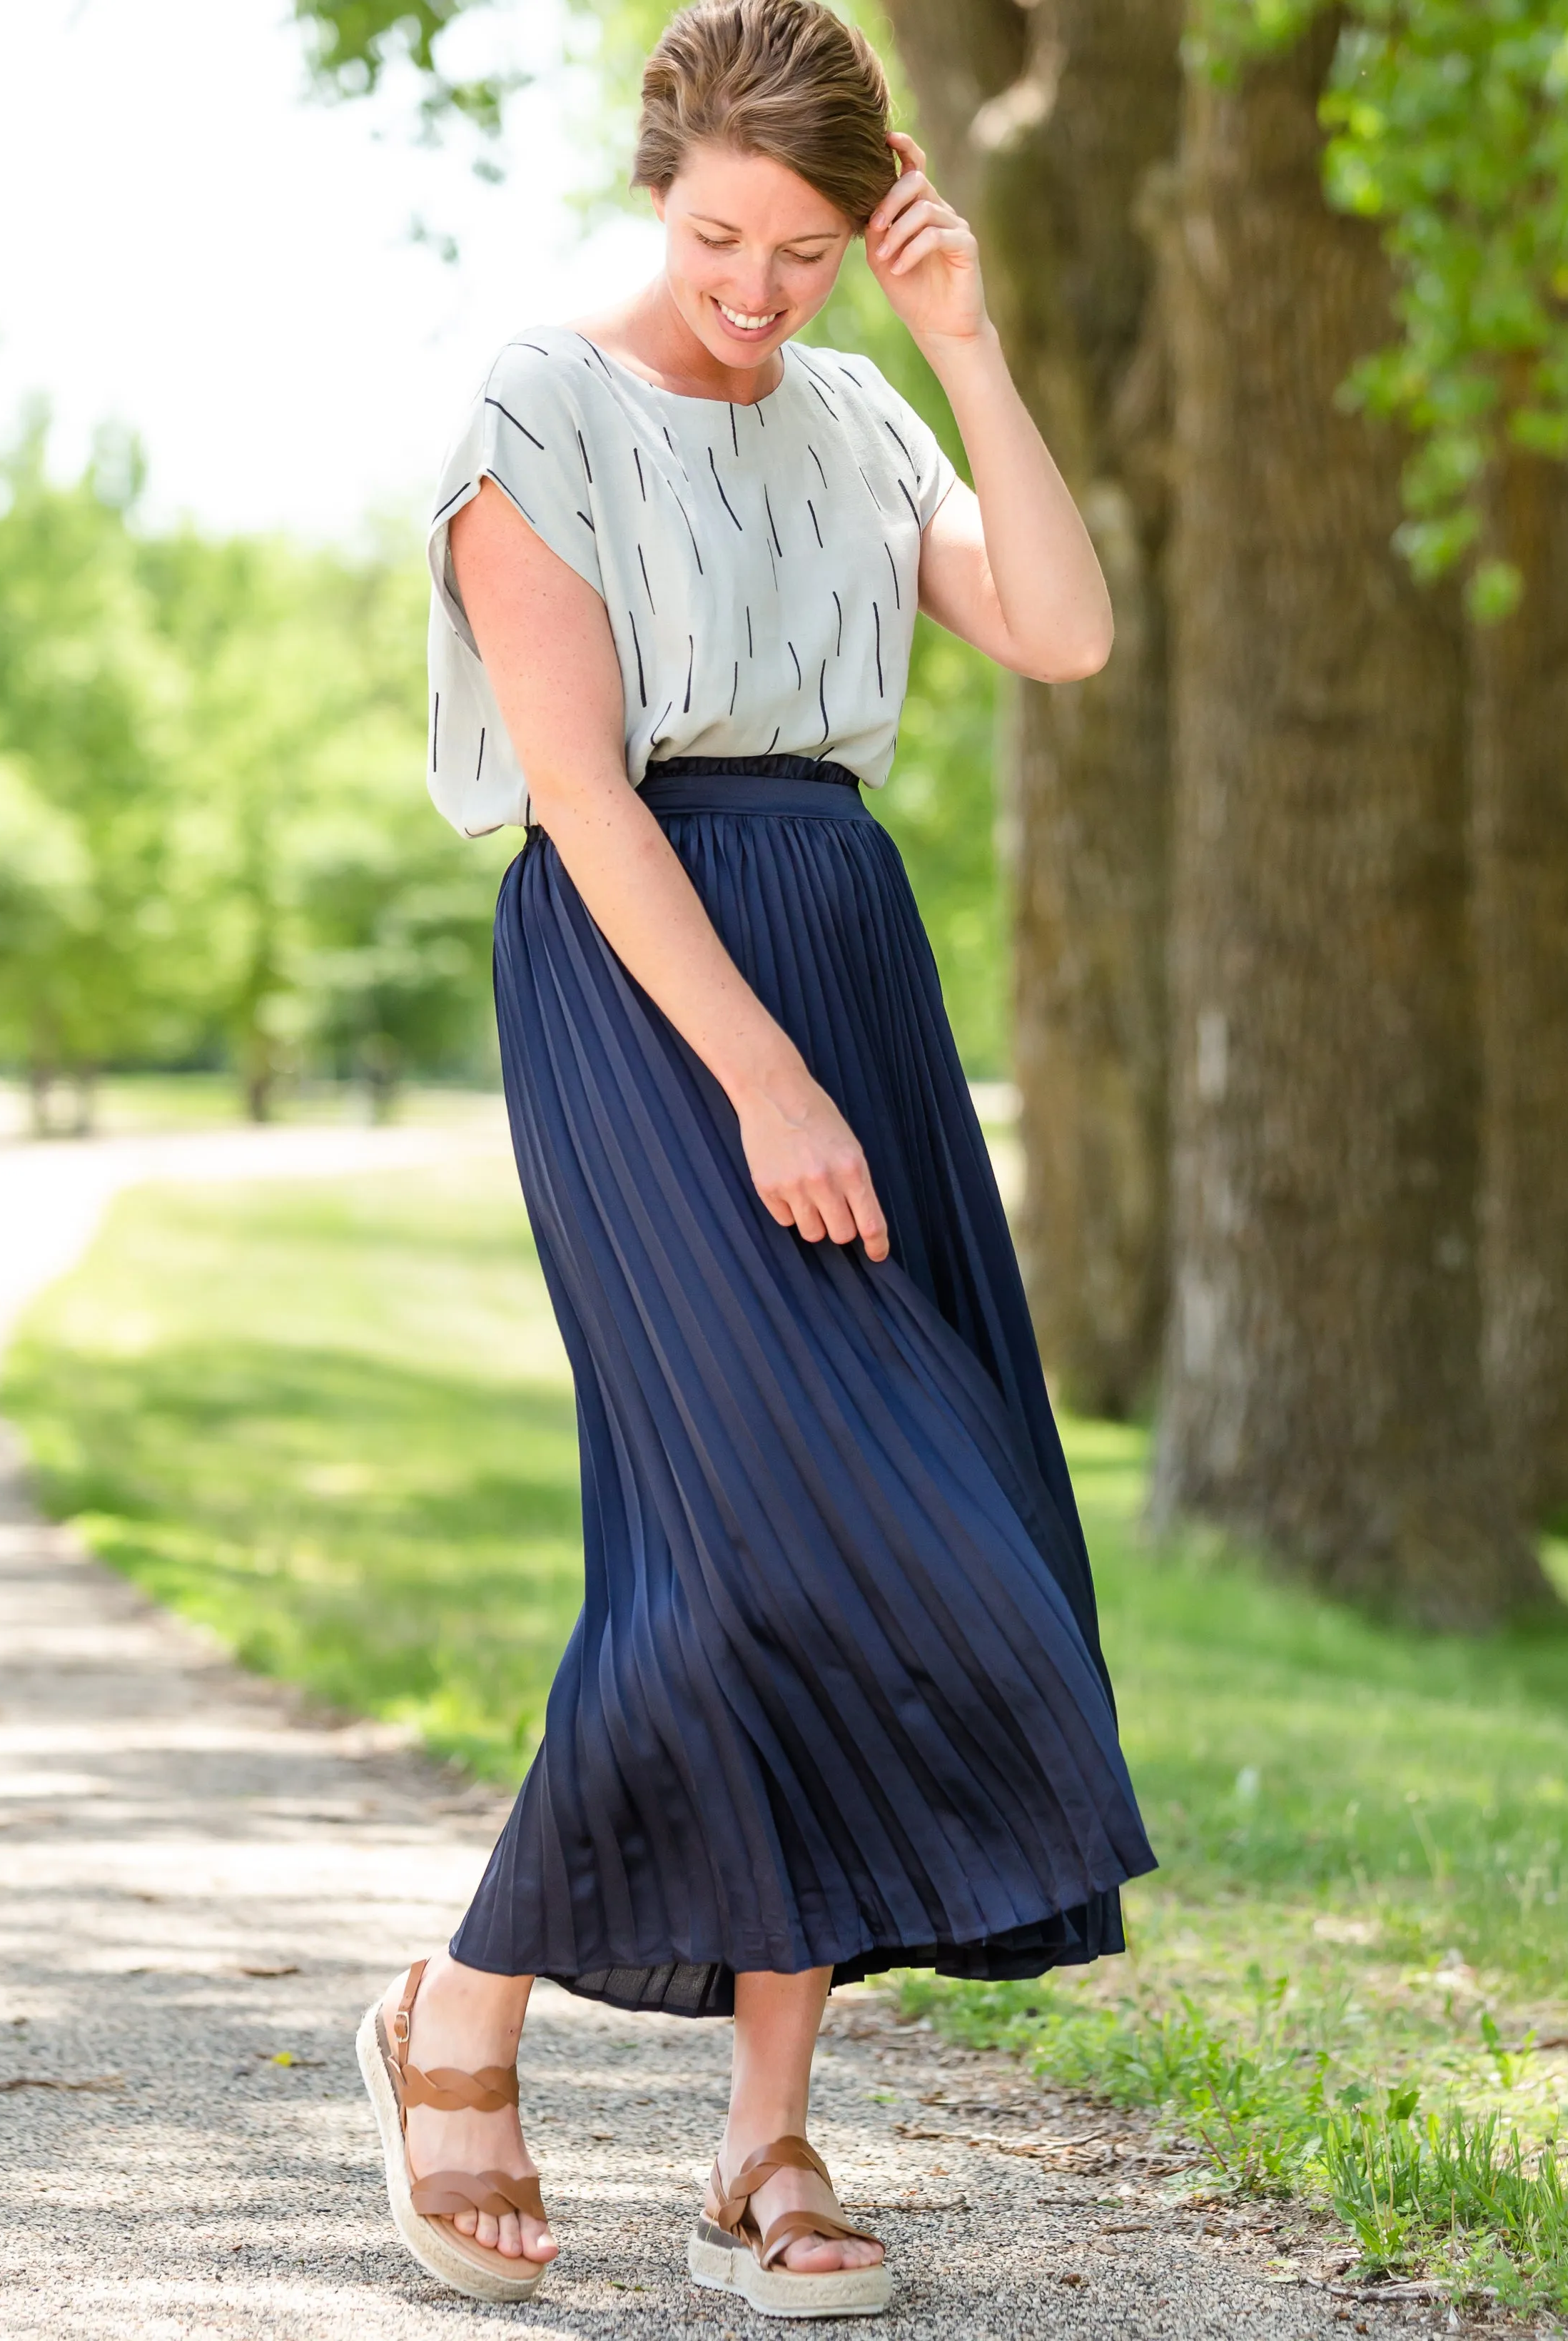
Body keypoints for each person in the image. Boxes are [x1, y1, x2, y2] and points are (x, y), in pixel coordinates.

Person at [356, 0, 1155, 2315]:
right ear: (656, 190)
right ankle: (463, 2008)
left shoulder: (852, 400)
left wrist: (965, 343)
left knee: (887, 1526)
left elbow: (1065, 630)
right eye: (722, 236)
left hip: (845, 942)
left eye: (809, 248)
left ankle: (767, 2146)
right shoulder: (537, 407)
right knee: (776, 1547)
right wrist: (757, 1080)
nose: (757, 287)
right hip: (647, 980)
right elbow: (582, 793)